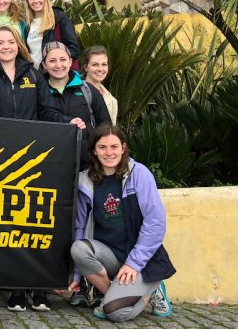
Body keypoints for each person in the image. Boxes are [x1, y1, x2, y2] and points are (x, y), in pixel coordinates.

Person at [0, 24, 61, 313]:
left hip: (33, 159)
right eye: (0, 43)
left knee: (32, 223)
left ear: (17, 44)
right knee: (8, 224)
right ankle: (16, 290)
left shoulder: (33, 74)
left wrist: (67, 123)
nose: (6, 46)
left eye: (10, 41)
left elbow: (46, 110)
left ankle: (39, 288)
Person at [70, 124, 174, 322]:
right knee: (78, 249)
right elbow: (80, 227)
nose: (109, 152)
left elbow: (156, 222)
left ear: (123, 147)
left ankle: (151, 289)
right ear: (94, 150)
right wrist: (76, 275)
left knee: (115, 312)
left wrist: (134, 263)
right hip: (109, 255)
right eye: (102, 147)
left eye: (114, 146)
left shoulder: (139, 174)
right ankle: (115, 295)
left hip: (140, 260)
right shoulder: (85, 181)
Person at [43, 42, 110, 170]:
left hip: (87, 166)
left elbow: (105, 127)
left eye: (63, 59)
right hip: (50, 166)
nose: (58, 65)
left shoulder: (88, 90)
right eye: (52, 60)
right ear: (44, 64)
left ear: (70, 62)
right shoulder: (38, 92)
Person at [23, 0, 79, 69]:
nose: (36, 0)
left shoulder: (59, 18)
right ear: (27, 1)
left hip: (55, 74)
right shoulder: (26, 24)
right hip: (34, 75)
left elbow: (73, 49)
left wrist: (58, 65)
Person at [82, 46, 118, 124]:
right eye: (95, 64)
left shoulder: (112, 101)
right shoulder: (74, 91)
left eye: (104, 64)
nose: (100, 69)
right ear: (85, 67)